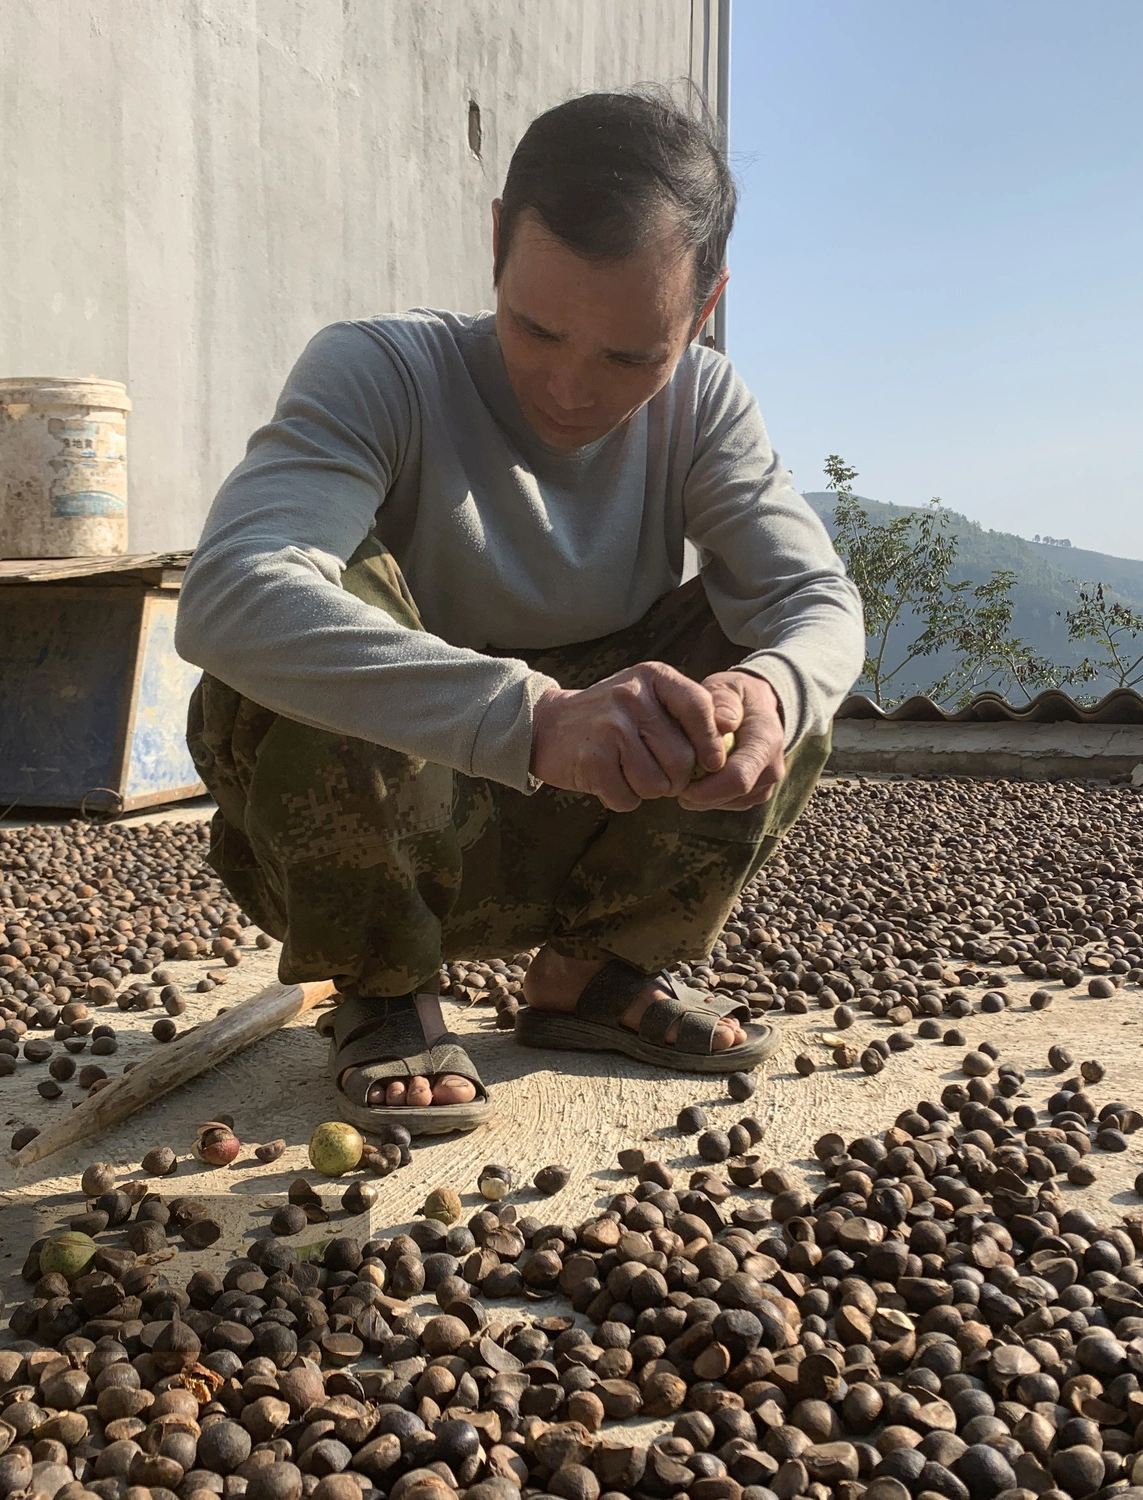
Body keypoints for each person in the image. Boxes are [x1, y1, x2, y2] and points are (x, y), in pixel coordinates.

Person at [176, 88, 864, 1137]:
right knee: (310, 596)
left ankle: (595, 974)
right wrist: (537, 718)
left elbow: (818, 602)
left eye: (631, 356)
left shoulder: (705, 406)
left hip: (599, 815)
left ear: (706, 304)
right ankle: (384, 986)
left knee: (774, 654)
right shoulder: (379, 369)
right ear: (497, 238)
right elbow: (230, 592)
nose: (571, 389)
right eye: (535, 328)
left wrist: (764, 692)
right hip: (376, 826)